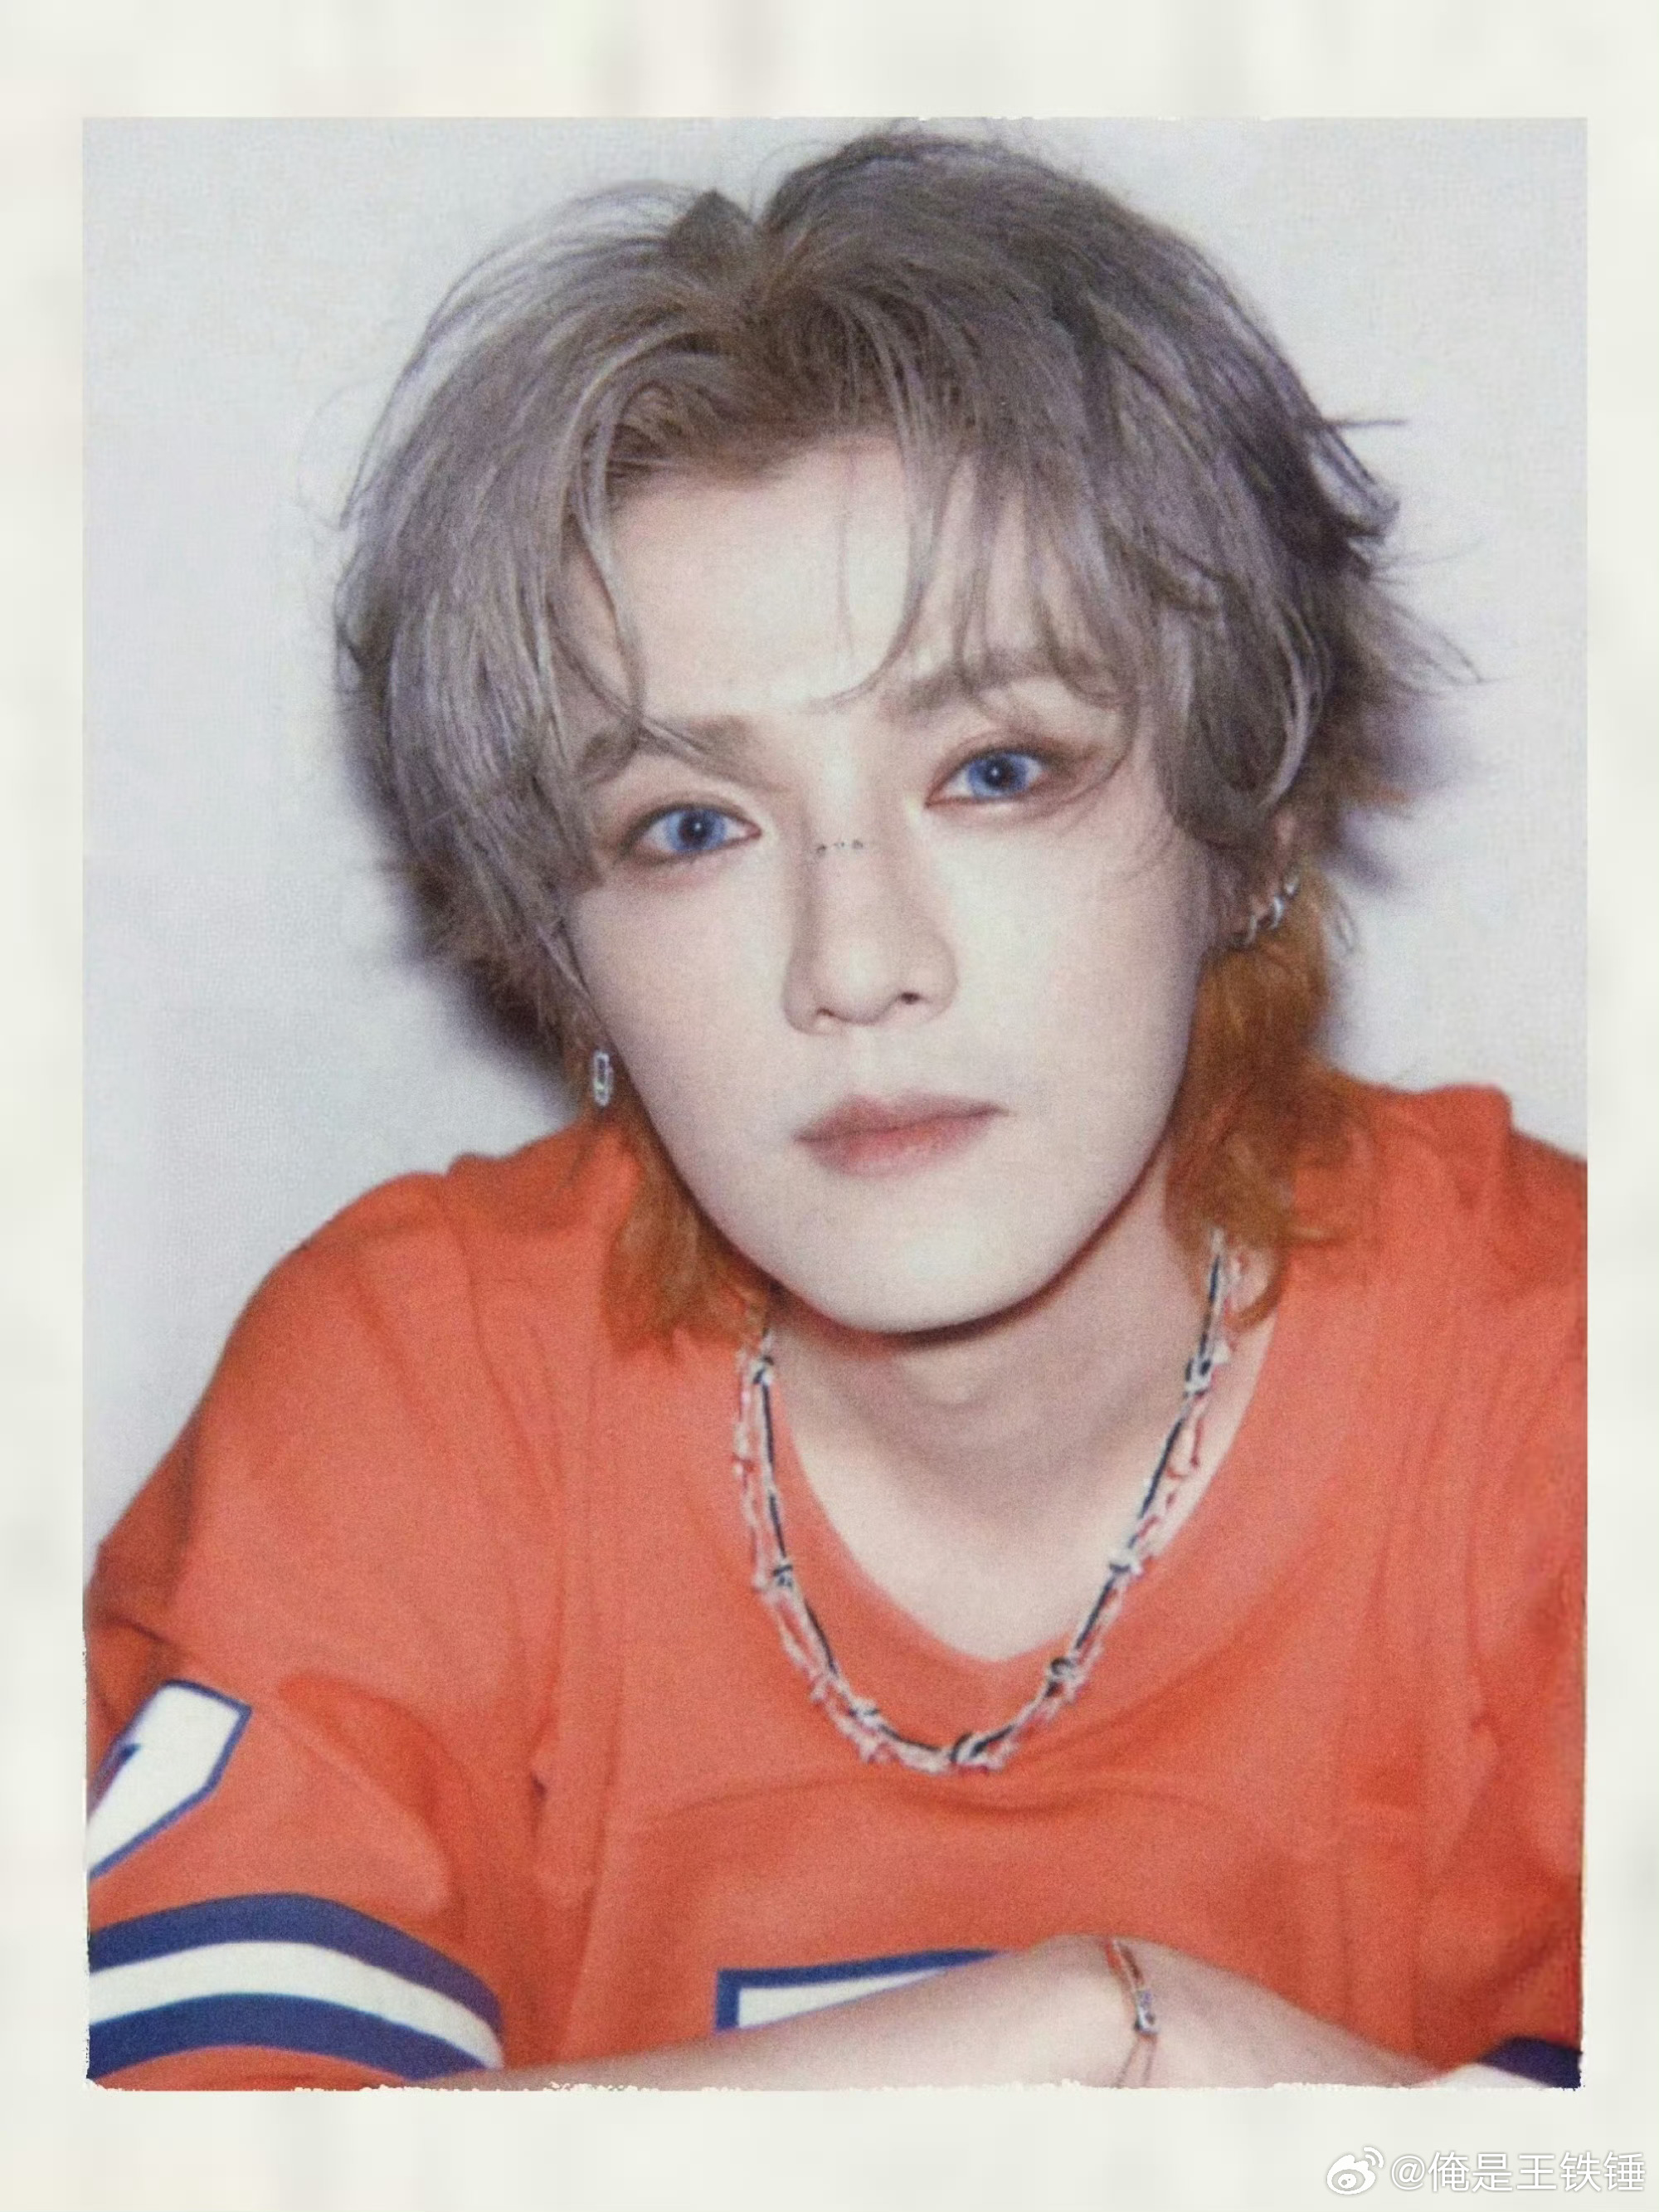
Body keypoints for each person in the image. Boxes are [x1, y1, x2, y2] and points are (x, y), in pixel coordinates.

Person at [85, 128, 1584, 2092]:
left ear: (1257, 823)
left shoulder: (1561, 1384)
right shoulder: (414, 1390)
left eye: (996, 768)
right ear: (566, 951)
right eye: (689, 825)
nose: (853, 961)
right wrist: (1075, 2033)